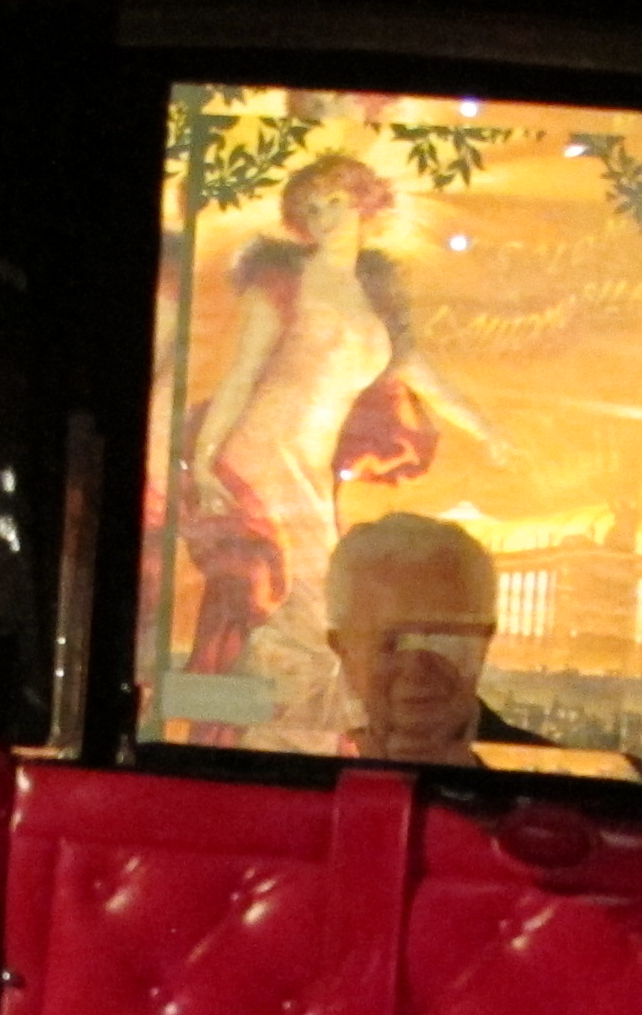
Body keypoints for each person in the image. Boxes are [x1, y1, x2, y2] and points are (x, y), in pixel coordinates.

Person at [179, 153, 500, 744]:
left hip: (309, 467)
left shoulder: (375, 299)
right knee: (302, 604)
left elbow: (424, 376)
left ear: (362, 203)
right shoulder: (282, 283)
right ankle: (274, 740)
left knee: (307, 605)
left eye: (335, 201)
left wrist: (488, 431)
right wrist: (202, 459)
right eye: (312, 208)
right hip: (263, 455)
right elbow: (241, 377)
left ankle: (280, 738)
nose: (324, 216)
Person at [324, 511, 555, 766]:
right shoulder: (301, 766)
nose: (416, 671)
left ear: (484, 643)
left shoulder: (552, 778)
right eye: (391, 644)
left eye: (443, 640)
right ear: (342, 648)